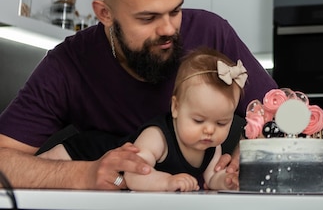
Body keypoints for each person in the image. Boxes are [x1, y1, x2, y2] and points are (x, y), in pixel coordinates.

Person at [0, 0, 277, 190]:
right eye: (148, 18)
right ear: (105, 14)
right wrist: (83, 174)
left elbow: (280, 115)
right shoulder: (68, 64)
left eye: (175, 10)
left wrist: (253, 150)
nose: (169, 28)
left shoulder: (211, 33)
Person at [41, 47, 246, 192]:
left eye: (221, 123)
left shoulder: (213, 147)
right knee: (38, 172)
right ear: (175, 108)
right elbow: (133, 175)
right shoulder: (157, 137)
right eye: (198, 120)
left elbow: (211, 179)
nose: (210, 130)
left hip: (107, 185)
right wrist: (167, 182)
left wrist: (227, 181)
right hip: (86, 151)